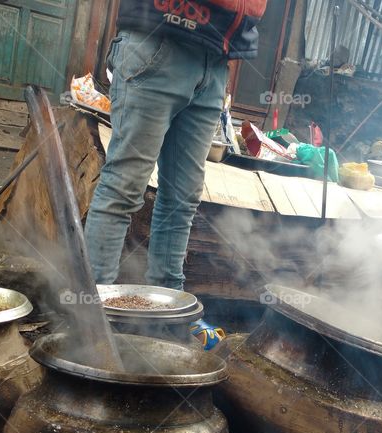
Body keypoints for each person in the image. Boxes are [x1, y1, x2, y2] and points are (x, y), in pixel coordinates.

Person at [85, 1, 266, 290]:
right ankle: (92, 311)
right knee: (124, 187)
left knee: (182, 199)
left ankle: (167, 309)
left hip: (216, 60)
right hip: (159, 40)